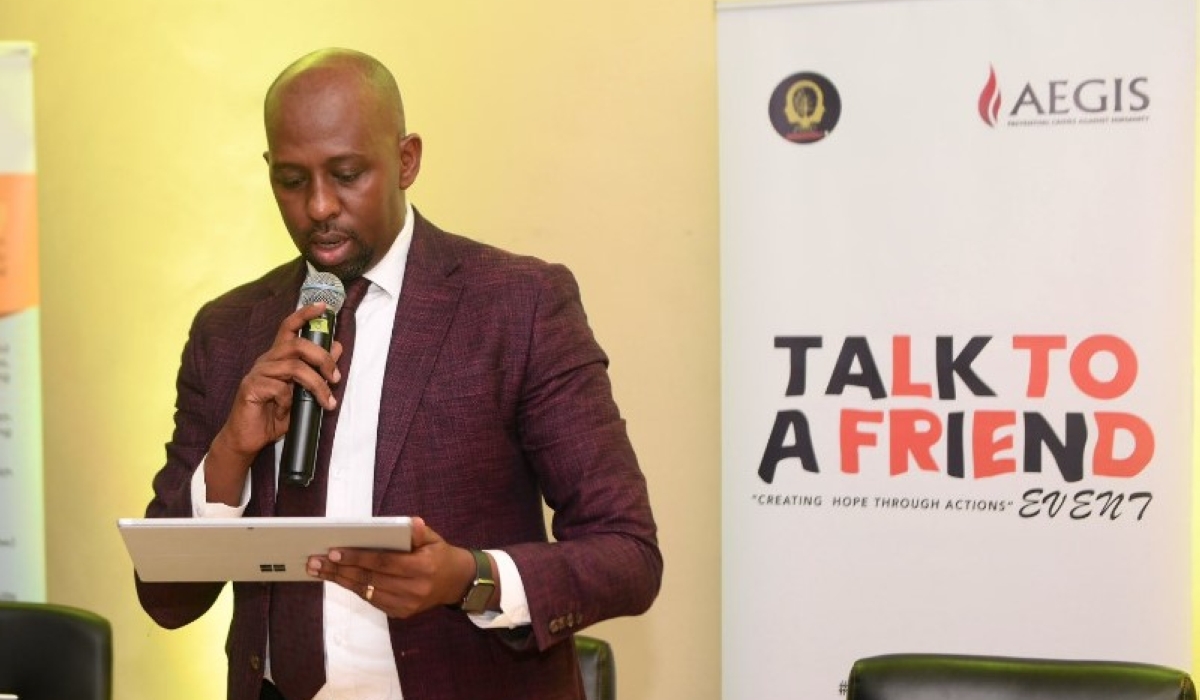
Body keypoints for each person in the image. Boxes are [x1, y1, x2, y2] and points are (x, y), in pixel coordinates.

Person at [135, 47, 662, 700]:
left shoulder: (517, 305)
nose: (320, 206)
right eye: (293, 181)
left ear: (407, 160)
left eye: (347, 173)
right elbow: (164, 597)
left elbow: (627, 555)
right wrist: (229, 455)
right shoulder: (228, 329)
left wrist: (470, 579)